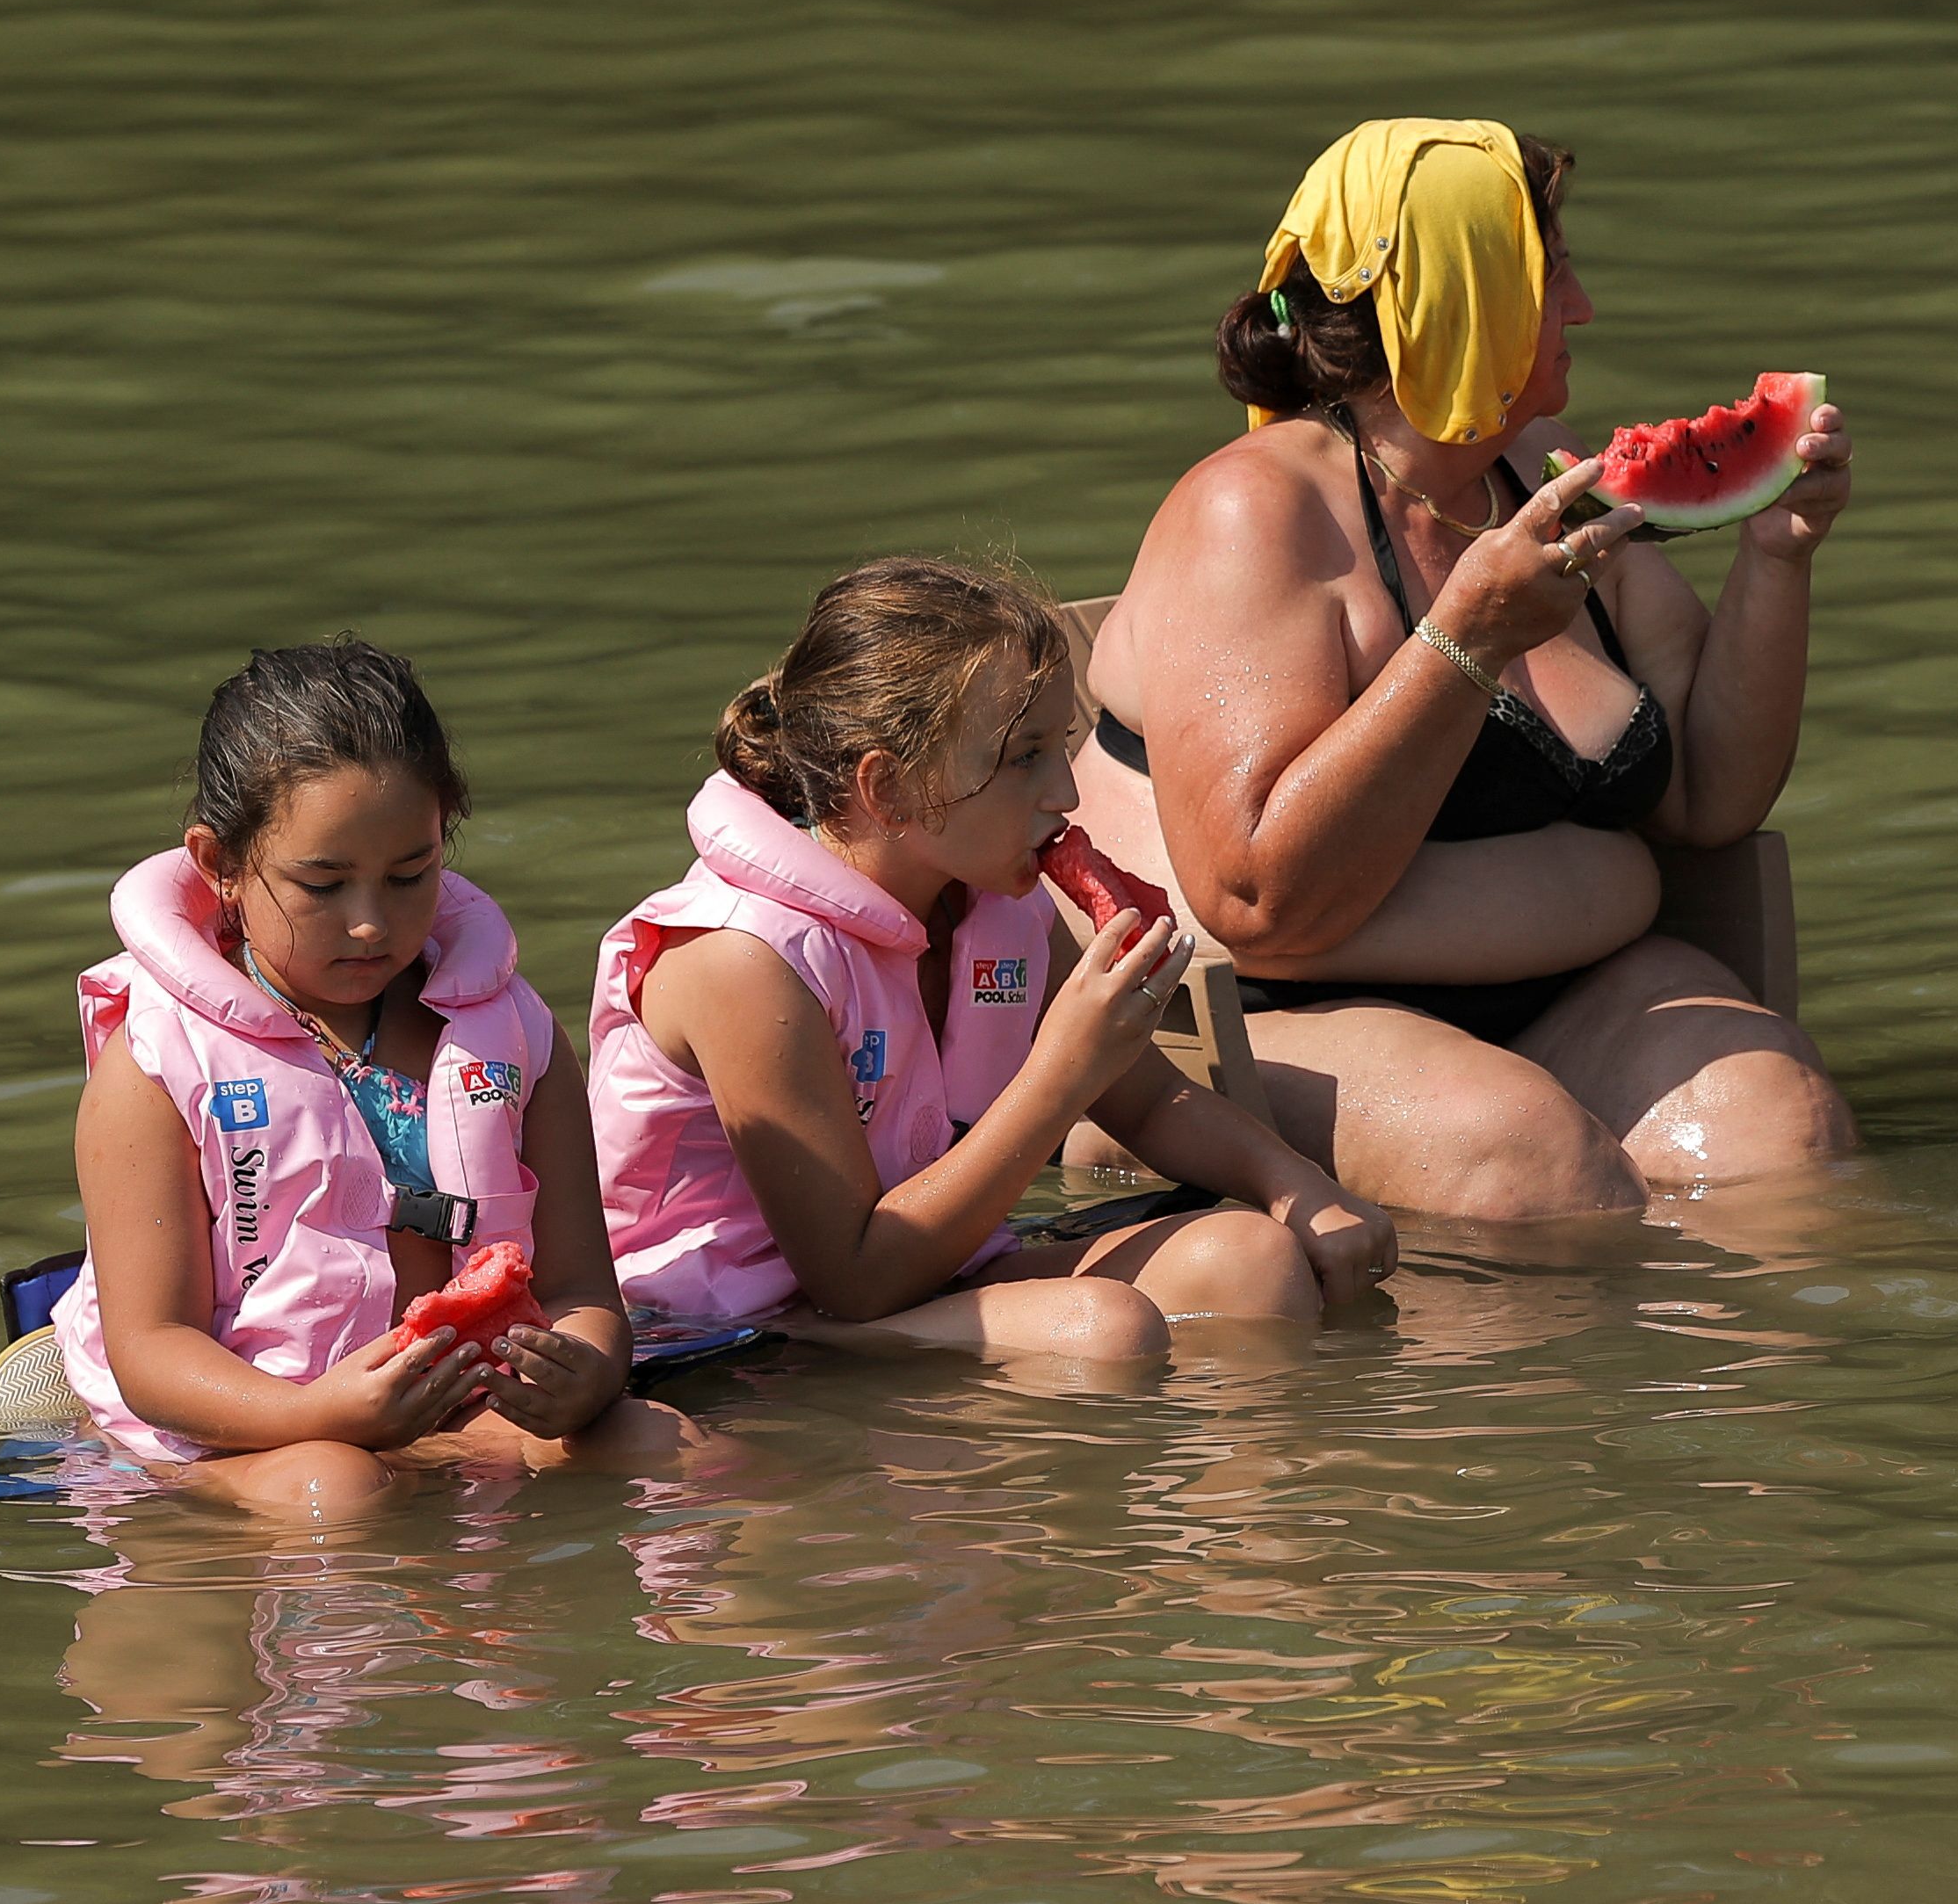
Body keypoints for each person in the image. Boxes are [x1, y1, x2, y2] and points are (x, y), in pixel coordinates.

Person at [1073, 118, 1854, 1220]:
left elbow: (1710, 800)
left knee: (1783, 1142)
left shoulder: (1538, 477)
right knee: (1532, 1168)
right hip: (1268, 1028)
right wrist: (1466, 644)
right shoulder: (1253, 513)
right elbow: (1256, 900)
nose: (1583, 306)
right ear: (1465, 297)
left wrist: (1778, 557)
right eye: (1552, 273)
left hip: (1572, 994)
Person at [592, 556, 1396, 1360]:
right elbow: (854, 1279)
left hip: (926, 1276)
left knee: (1255, 1263)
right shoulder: (744, 958)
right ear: (890, 789)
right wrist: (1063, 1070)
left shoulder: (996, 907)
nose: (1067, 793)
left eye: (1062, 745)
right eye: (1024, 757)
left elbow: (1150, 1103)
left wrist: (1300, 1188)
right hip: (735, 1341)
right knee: (1106, 1332)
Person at [54, 640, 682, 1521]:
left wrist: (587, 1370)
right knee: (340, 1494)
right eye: (323, 884)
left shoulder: (512, 1033)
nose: (369, 924)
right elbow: (152, 1351)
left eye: (409, 876)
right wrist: (320, 1415)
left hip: (470, 1413)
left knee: (670, 1449)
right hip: (255, 1437)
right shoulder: (156, 1065)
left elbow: (581, 1288)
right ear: (219, 863)